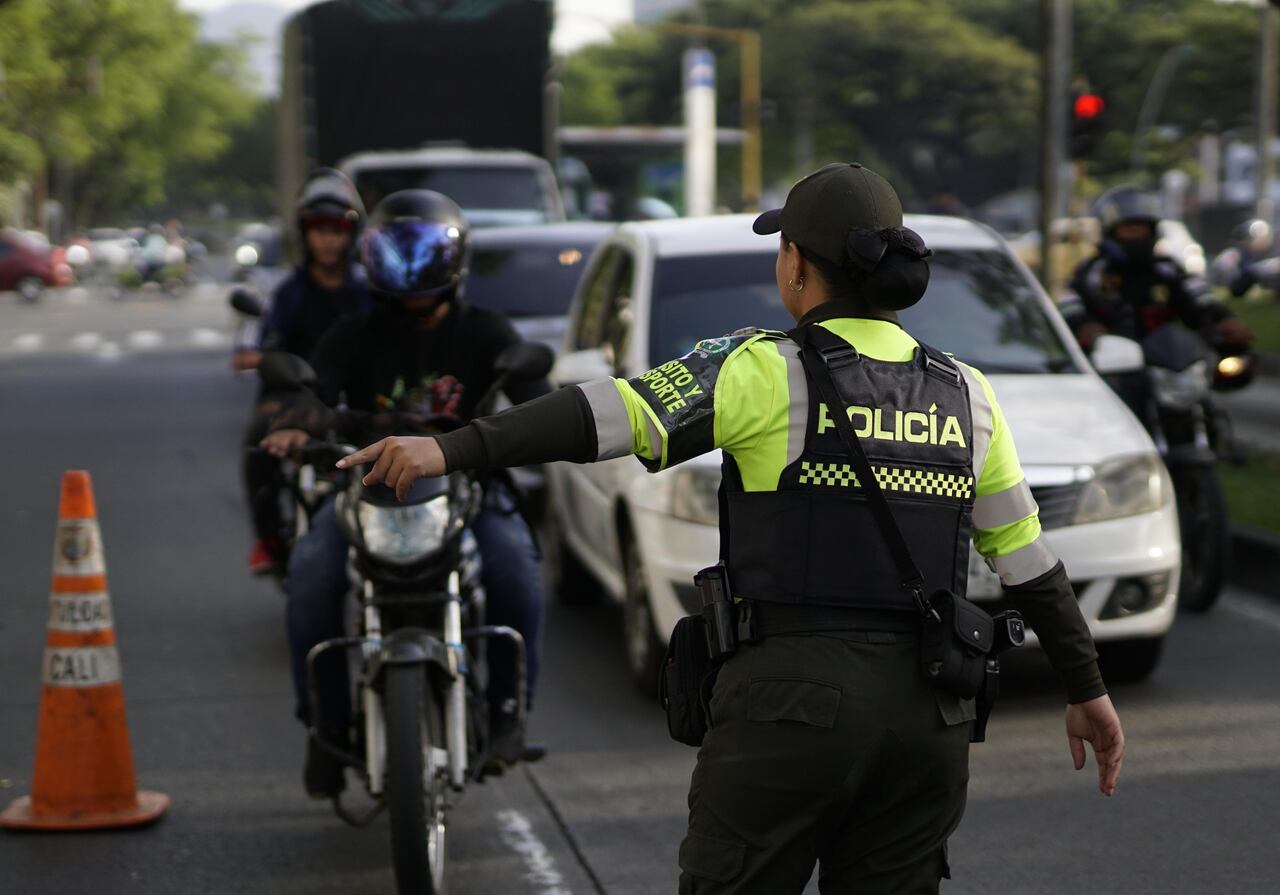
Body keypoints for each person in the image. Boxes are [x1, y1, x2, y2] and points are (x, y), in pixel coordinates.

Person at [337, 163, 1126, 894]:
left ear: (796, 265)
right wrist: (1085, 686)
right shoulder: (968, 394)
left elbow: (602, 416)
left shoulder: (759, 368)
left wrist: (451, 446)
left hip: (790, 709)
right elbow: (1031, 566)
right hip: (929, 721)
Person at [260, 189, 549, 798]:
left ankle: (507, 714)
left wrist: (532, 399)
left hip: (468, 486)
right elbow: (309, 395)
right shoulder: (351, 334)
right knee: (310, 580)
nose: (413, 277)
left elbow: (532, 394)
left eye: (426, 258)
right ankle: (325, 728)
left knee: (516, 571)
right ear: (375, 260)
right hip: (366, 490)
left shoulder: (485, 330)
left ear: (455, 262)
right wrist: (294, 422)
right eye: (399, 257)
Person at [238, 169, 370, 575]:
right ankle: (269, 539)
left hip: (355, 394)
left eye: (337, 229)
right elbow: (255, 347)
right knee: (259, 446)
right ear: (304, 234)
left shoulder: (370, 288)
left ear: (352, 233)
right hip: (292, 394)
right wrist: (265, 360)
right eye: (318, 230)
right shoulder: (287, 290)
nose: (328, 239)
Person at [1060, 186, 1252, 355]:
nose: (1136, 235)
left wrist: (1224, 319)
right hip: (1111, 366)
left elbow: (1199, 295)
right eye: (1129, 228)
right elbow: (1069, 302)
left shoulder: (1166, 269)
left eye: (1141, 228)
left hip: (1165, 364)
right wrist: (1085, 326)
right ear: (1111, 231)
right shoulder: (1093, 271)